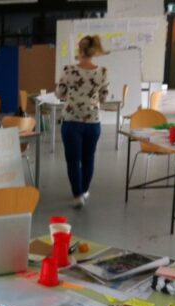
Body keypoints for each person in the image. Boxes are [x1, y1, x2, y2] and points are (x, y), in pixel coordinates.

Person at [56, 35, 109, 208]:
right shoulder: (102, 72)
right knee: (88, 158)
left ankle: (78, 194)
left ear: (79, 50)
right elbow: (104, 97)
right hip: (93, 122)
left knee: (73, 160)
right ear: (93, 51)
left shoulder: (69, 70)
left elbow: (60, 94)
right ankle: (84, 190)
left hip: (71, 121)